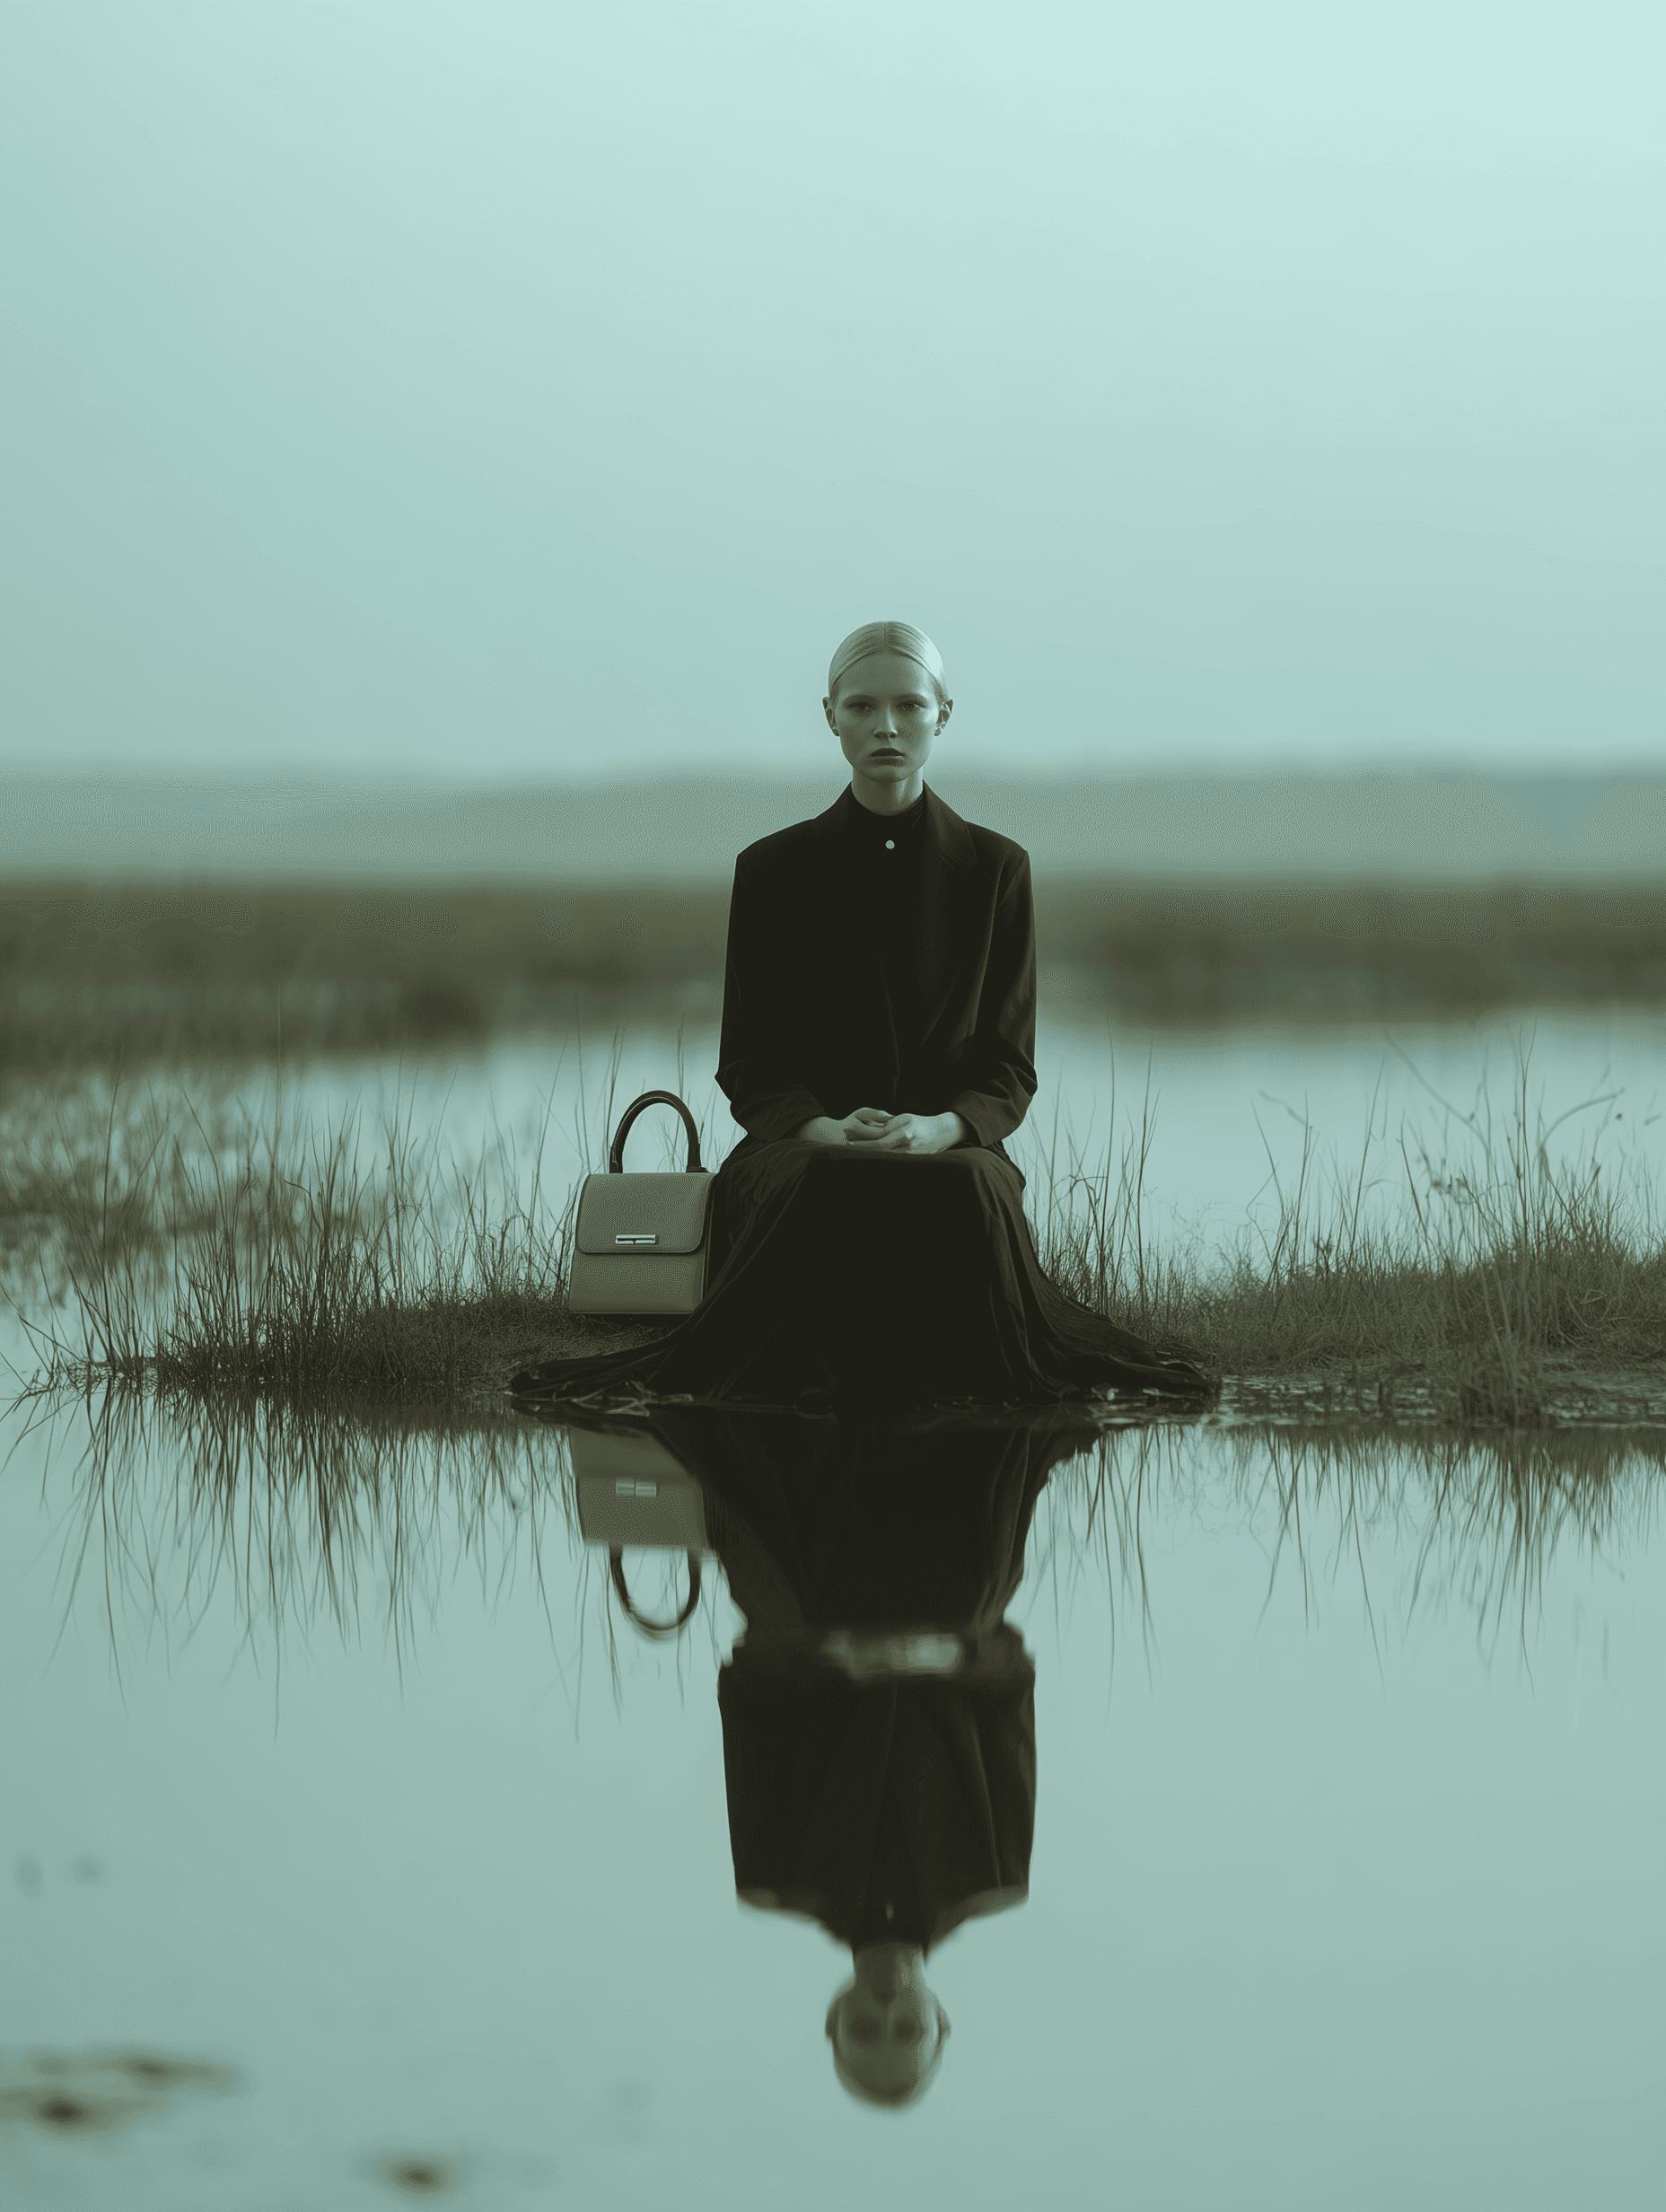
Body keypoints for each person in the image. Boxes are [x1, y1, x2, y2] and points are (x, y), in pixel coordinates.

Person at [509, 618, 1212, 1415]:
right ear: (830, 715)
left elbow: (1008, 1068)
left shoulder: (996, 870)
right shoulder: (771, 870)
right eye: (863, 706)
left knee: (971, 1191)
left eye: (909, 707)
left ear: (943, 715)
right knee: (823, 1183)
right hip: (796, 1150)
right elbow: (748, 1063)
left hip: (951, 1145)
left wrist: (938, 1130)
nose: (886, 726)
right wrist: (820, 1128)